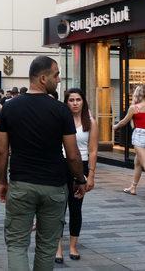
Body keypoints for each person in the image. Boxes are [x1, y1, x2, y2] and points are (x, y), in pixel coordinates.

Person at [0, 55, 86, 270]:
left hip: (21, 184)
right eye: (56, 75)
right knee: (46, 247)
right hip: (53, 187)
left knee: (17, 244)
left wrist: (2, 181)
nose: (59, 80)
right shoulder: (61, 110)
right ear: (43, 78)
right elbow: (72, 155)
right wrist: (80, 179)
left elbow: (1, 150)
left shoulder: (10, 107)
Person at [55, 88, 98, 263]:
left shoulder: (91, 122)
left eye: (78, 100)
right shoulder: (60, 120)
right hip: (61, 165)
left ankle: (73, 245)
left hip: (82, 166)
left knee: (75, 207)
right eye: (71, 100)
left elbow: (93, 150)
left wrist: (92, 175)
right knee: (58, 207)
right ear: (66, 103)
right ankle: (58, 248)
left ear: (83, 101)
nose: (74, 103)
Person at [114, 84, 145, 204]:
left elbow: (123, 122)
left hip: (140, 138)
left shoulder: (134, 108)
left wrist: (115, 126)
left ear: (137, 94)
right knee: (137, 162)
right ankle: (133, 187)